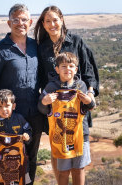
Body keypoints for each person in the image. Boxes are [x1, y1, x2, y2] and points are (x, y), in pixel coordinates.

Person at [34, 5, 99, 183]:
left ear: (62, 20)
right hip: (55, 111)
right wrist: (43, 100)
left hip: (76, 108)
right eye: (47, 21)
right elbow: (39, 78)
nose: (52, 24)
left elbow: (89, 70)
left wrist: (91, 92)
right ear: (43, 24)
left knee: (78, 161)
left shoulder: (76, 41)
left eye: (55, 19)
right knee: (58, 154)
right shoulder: (42, 47)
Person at [0, 4, 43, 184]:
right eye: (15, 20)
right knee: (5, 159)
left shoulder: (36, 47)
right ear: (9, 23)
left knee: (30, 159)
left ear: (30, 22)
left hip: (34, 115)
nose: (20, 23)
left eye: (24, 19)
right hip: (9, 117)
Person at [38, 52, 95, 185]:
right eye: (63, 66)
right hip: (60, 136)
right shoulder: (51, 87)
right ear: (57, 69)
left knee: (79, 169)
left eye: (71, 66)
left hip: (80, 135)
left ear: (76, 69)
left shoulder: (81, 86)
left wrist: (88, 100)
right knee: (63, 171)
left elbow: (90, 107)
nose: (67, 69)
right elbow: (42, 109)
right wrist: (45, 102)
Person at [0, 89, 32, 184]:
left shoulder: (19, 119)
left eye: (7, 106)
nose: (4, 109)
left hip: (20, 163)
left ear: (13, 106)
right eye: (0, 107)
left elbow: (29, 131)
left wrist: (27, 137)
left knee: (24, 181)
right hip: (1, 165)